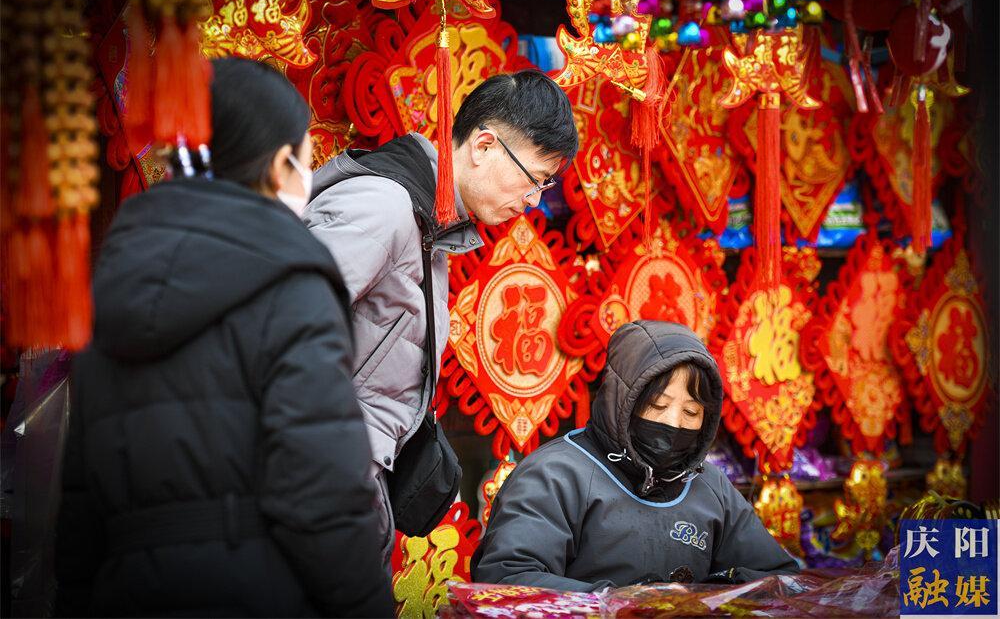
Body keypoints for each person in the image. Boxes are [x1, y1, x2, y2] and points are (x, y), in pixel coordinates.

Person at [54, 57, 393, 617]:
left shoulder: (117, 279)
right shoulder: (291, 281)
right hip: (257, 590)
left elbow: (80, 502)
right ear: (284, 164)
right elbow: (321, 495)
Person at [304, 69, 578, 563]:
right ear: (484, 145)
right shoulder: (385, 206)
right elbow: (273, 326)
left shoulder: (427, 222)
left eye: (545, 184)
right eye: (533, 179)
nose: (534, 200)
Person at [472, 320, 799, 591]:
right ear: (621, 400)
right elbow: (507, 580)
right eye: (658, 406)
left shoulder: (709, 485)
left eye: (691, 411)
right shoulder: (554, 475)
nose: (674, 423)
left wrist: (707, 595)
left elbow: (777, 578)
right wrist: (622, 604)